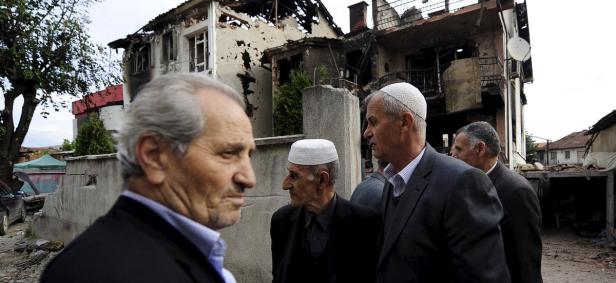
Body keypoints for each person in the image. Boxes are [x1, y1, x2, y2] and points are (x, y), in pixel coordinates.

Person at [41, 74, 257, 283]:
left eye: (248, 155)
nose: (249, 178)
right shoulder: (104, 273)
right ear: (154, 157)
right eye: (228, 153)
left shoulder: (175, 253)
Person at [363, 82, 510, 282]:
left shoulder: (463, 182)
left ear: (405, 123)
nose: (366, 133)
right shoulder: (393, 181)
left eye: (373, 122)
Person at [270, 139, 380, 283]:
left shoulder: (366, 225)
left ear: (322, 179)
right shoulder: (282, 221)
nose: (285, 185)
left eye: (294, 176)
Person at [451, 121, 543, 283]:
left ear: (480, 149)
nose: (453, 155)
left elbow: (526, 261)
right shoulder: (466, 181)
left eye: (459, 149)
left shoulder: (516, 192)